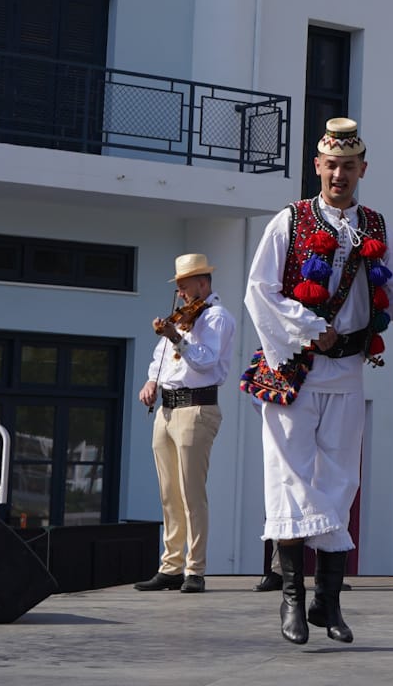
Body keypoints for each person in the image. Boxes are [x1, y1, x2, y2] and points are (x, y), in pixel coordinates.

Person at [243, 117, 393, 646]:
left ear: (362, 169)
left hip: (348, 368)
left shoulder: (377, 227)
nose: (339, 175)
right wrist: (309, 328)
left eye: (349, 166)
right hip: (294, 366)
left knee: (340, 478)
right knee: (288, 473)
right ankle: (292, 601)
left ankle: (328, 599)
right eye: (331, 165)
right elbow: (259, 291)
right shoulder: (290, 221)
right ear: (318, 167)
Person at [134, 252, 238, 594]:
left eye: (184, 286)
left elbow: (206, 362)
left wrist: (176, 337)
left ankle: (195, 569)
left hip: (196, 408)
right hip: (167, 409)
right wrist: (152, 381)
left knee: (192, 492)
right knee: (168, 493)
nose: (180, 293)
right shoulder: (182, 318)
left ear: (202, 283)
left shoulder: (217, 317)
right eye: (178, 287)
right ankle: (171, 566)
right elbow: (160, 359)